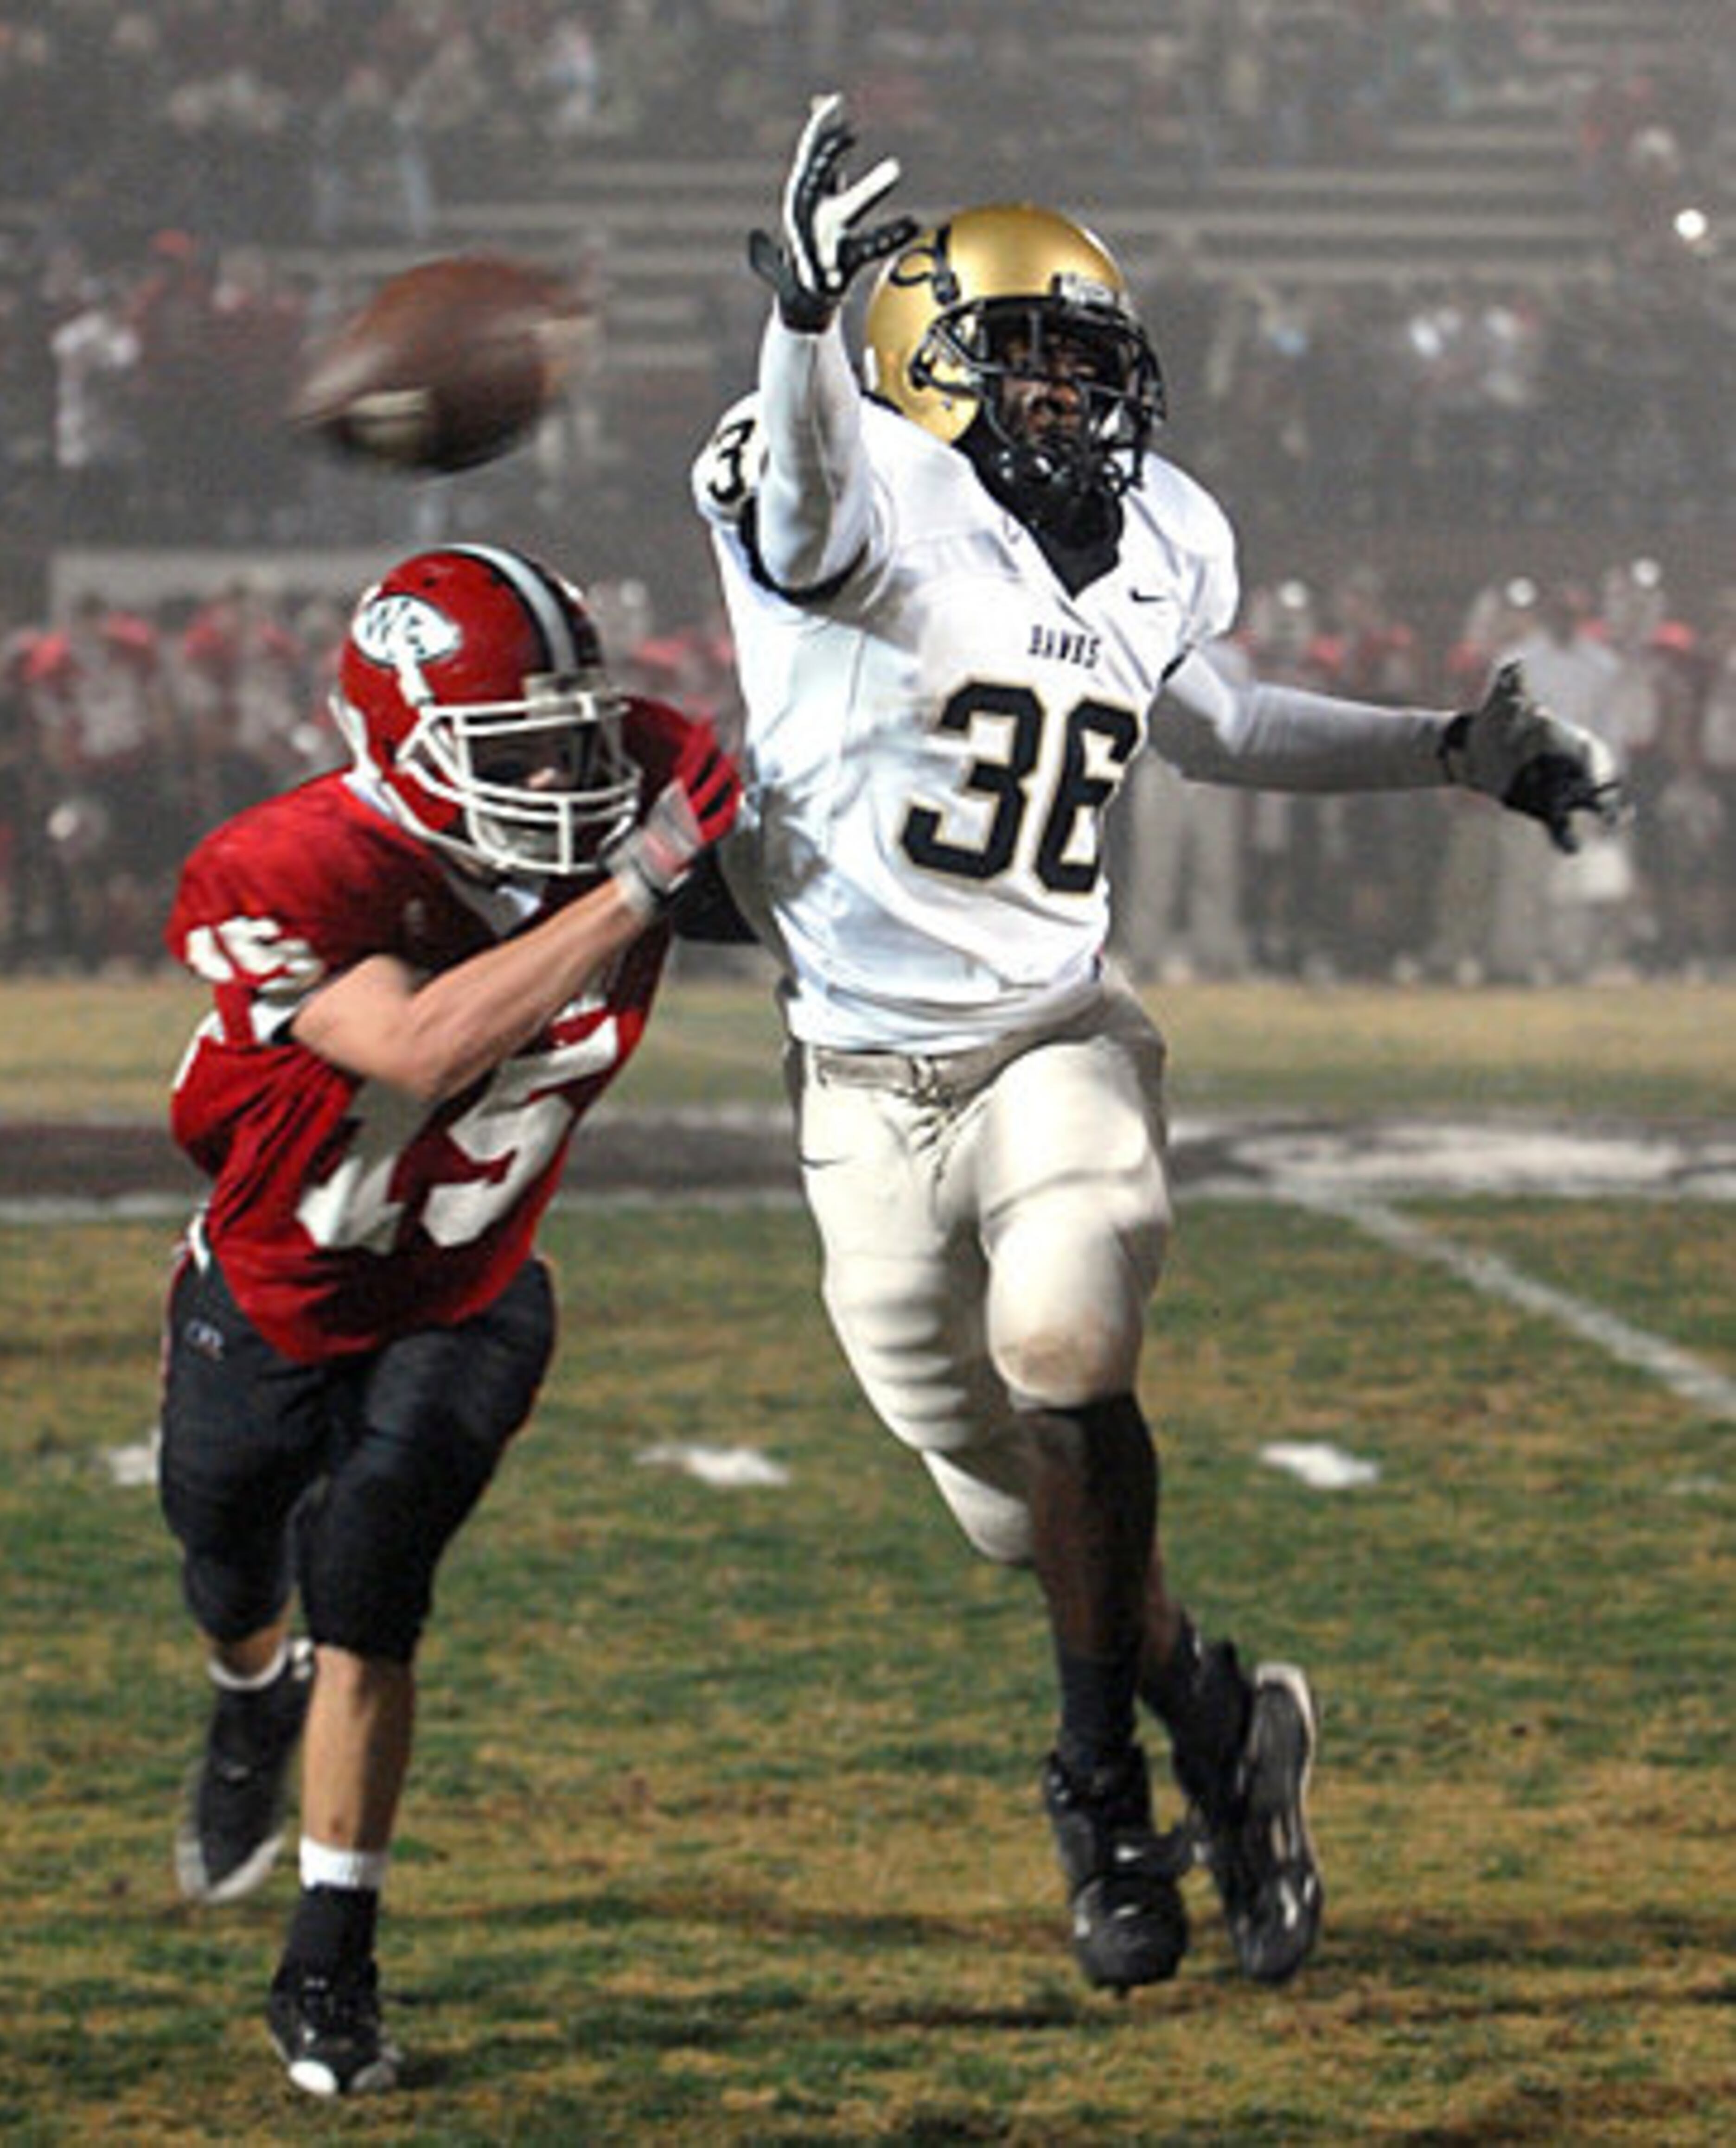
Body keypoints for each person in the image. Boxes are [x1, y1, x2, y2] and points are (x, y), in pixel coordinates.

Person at [692, 94, 1624, 1996]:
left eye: (1082, 361)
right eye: (1017, 357)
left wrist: (1440, 749)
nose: (1061, 400)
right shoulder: (844, 469)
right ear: (908, 366)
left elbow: (1216, 718)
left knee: (1067, 1352)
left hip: (1057, 1036)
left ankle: (1100, 1798)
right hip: (861, 1083)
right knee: (1009, 1510)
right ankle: (1223, 1726)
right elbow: (800, 522)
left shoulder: (1157, 534)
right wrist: (797, 323)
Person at [157, 543, 739, 2096]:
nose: (565, 774)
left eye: (575, 736)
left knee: (368, 1590)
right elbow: (415, 1046)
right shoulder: (279, 867)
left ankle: (330, 1955)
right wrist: (633, 888)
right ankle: (239, 1703)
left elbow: (785, 806)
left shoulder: (640, 784)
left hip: (470, 1292)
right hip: (279, 1288)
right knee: (226, 1552)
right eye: (516, 749)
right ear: (396, 748)